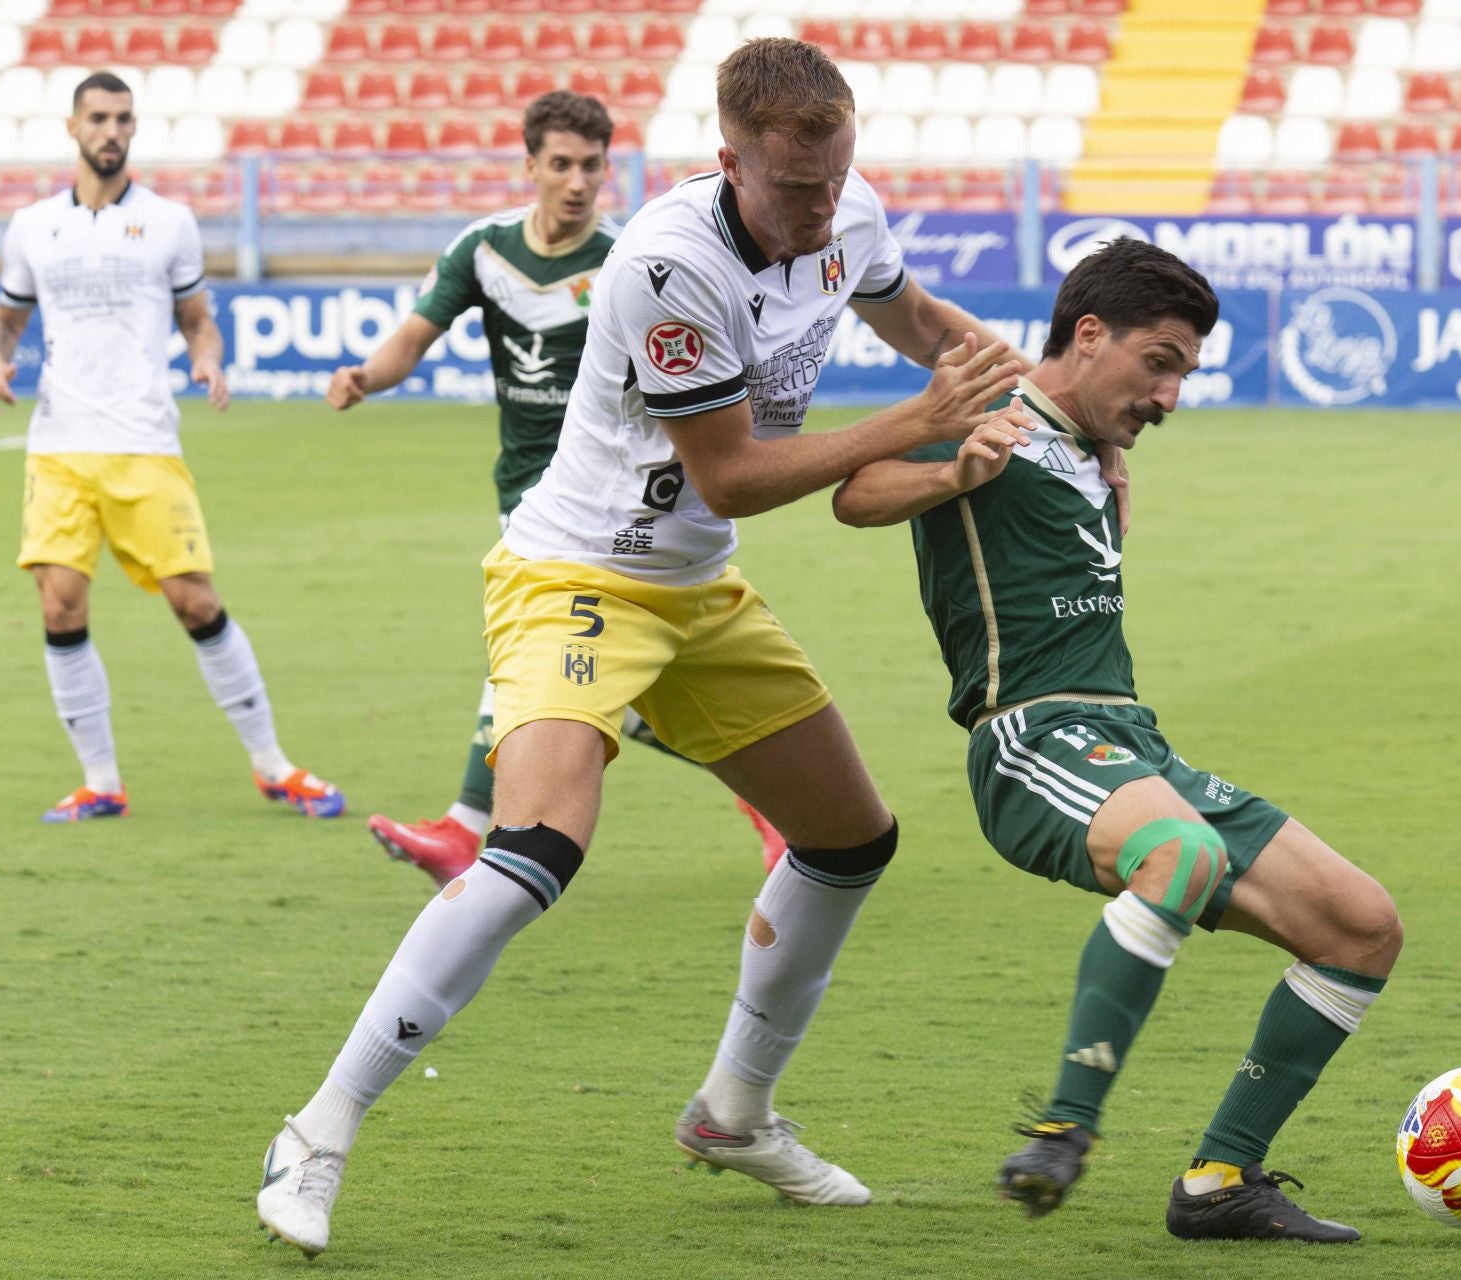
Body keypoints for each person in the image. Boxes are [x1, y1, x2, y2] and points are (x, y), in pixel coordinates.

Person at [255, 38, 1025, 1257]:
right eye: (795, 187)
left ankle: (734, 1111)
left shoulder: (846, 207)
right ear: (730, 161)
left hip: (696, 585)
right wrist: (918, 422)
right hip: (577, 574)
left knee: (849, 839)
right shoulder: (667, 265)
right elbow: (734, 470)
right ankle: (318, 1127)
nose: (822, 208)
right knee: (539, 845)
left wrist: (1037, 404)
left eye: (835, 179)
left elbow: (919, 317)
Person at [830, 238, 1403, 1242]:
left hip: (1131, 738)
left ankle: (1221, 1178)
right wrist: (951, 473)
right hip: (1030, 737)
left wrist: (1109, 447)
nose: (1172, 395)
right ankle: (1063, 1127)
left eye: (1183, 371)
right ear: (1090, 335)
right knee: (1178, 855)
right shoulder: (986, 420)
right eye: (1162, 362)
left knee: (1360, 924)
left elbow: (1082, 427)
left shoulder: (1088, 438)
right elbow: (855, 491)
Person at [324, 91, 784, 883]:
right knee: (603, 688)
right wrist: (367, 376)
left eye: (592, 167)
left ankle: (467, 829)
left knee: (549, 670)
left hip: (613, 494)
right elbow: (412, 335)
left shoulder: (629, 259)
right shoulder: (486, 249)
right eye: (561, 165)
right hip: (528, 489)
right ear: (530, 166)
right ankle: (775, 799)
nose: (577, 182)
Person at [0, 71, 341, 824]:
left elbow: (197, 317)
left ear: (134, 130)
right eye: (99, 118)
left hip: (144, 443)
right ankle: (101, 781)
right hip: (59, 446)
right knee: (59, 603)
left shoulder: (172, 222)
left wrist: (206, 355)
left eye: (123, 119)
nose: (111, 131)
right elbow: (9, 316)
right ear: (73, 128)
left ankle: (273, 765)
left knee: (194, 600)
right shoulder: (32, 225)